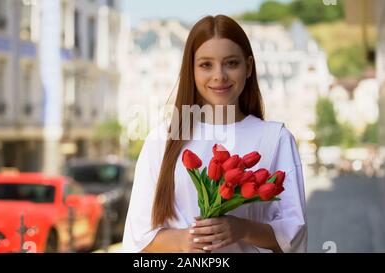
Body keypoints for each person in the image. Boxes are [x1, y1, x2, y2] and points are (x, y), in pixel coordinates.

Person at [122, 15, 307, 253]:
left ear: (248, 67)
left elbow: (294, 235)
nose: (219, 75)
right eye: (206, 64)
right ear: (191, 69)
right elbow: (137, 240)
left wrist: (242, 229)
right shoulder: (162, 139)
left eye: (231, 63)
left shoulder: (275, 138)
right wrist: (186, 241)